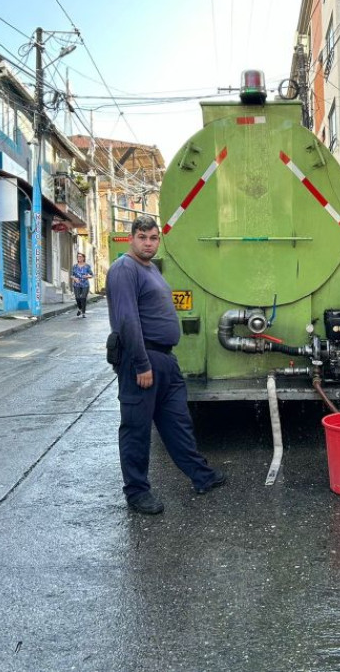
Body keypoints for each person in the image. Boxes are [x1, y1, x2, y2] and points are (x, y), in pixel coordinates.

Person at [106, 216, 226, 514]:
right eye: (143, 237)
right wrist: (141, 364)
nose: (148, 243)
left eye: (153, 238)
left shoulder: (150, 269)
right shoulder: (124, 269)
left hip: (165, 362)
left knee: (178, 423)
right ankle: (137, 493)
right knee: (136, 429)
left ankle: (201, 475)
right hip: (142, 361)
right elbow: (127, 320)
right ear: (131, 238)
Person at [70, 252, 94, 318]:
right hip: (76, 284)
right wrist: (75, 279)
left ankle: (83, 313)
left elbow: (91, 275)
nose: (79, 258)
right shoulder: (74, 266)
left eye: (80, 256)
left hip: (85, 285)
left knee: (83, 298)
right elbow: (71, 275)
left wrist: (87, 276)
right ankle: (80, 309)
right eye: (78, 257)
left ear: (83, 258)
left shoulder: (87, 266)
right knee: (77, 298)